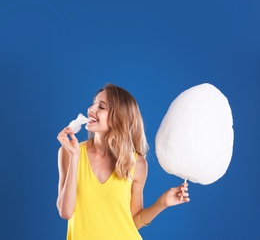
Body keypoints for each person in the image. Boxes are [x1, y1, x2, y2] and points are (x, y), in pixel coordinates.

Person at [57, 83, 190, 240]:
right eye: (93, 103)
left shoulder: (137, 164)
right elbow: (65, 212)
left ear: (118, 118)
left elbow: (132, 222)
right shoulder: (69, 153)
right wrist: (74, 157)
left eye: (101, 106)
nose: (91, 109)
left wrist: (162, 203)